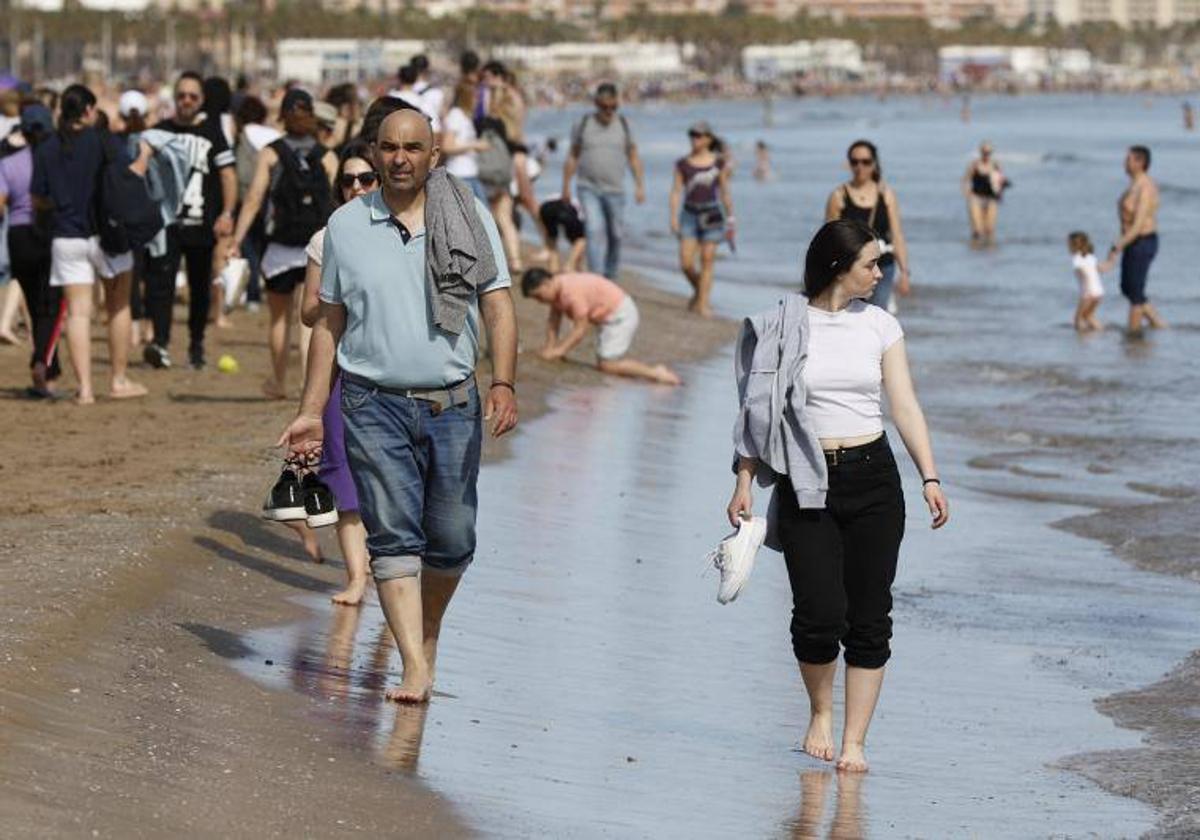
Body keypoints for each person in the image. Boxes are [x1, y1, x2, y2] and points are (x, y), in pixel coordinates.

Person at [278, 109, 519, 703]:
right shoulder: (345, 224)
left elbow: (499, 306)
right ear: (375, 152)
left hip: (454, 402)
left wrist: (504, 382)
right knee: (393, 538)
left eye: (414, 147)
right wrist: (312, 409)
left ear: (434, 156)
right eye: (389, 147)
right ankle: (413, 664)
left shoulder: (469, 216)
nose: (401, 158)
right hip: (369, 402)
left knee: (453, 538)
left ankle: (424, 631)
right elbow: (328, 324)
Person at [728, 219, 949, 774]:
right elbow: (758, 412)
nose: (880, 273)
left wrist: (930, 476)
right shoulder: (784, 324)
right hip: (807, 480)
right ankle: (821, 714)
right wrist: (743, 481)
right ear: (838, 266)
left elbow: (904, 405)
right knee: (819, 615)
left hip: (874, 478)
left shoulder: (881, 326)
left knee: (870, 618)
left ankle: (854, 742)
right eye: (871, 264)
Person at [297, 141, 379, 605]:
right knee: (343, 476)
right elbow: (310, 313)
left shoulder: (401, 231)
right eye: (348, 180)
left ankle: (390, 574)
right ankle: (356, 578)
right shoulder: (325, 239)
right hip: (340, 368)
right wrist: (340, 299)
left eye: (365, 179)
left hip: (390, 370)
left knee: (390, 476)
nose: (356, 188)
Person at [30, 84, 147, 404]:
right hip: (105, 234)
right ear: (88, 111)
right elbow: (128, 175)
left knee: (78, 314)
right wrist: (147, 154)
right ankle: (118, 379)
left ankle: (84, 389)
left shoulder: (47, 146)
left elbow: (38, 196)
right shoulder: (102, 140)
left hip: (66, 236)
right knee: (118, 304)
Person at [230, 88, 337, 400]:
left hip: (278, 248)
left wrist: (236, 240)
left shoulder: (271, 152)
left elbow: (253, 200)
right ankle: (308, 384)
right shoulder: (326, 155)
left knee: (279, 319)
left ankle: (278, 382)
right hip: (317, 248)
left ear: (283, 116)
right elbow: (336, 204)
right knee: (310, 321)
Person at [142, 71, 237, 370]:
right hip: (166, 225)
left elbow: (228, 175)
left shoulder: (212, 132)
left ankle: (196, 344)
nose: (186, 101)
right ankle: (160, 343)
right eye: (181, 95)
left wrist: (227, 213)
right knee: (161, 285)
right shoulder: (160, 130)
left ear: (202, 100)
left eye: (192, 96)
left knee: (199, 288)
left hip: (202, 223)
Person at [522, 267, 681, 385]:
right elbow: (554, 320)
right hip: (608, 315)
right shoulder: (558, 288)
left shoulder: (570, 292)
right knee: (605, 359)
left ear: (547, 283)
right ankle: (650, 372)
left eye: (538, 296)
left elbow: (580, 330)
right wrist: (550, 347)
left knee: (607, 365)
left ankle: (656, 373)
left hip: (619, 315)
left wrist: (560, 351)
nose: (539, 301)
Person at [0, 103, 58, 396]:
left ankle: (46, 365)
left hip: (18, 236)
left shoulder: (9, 163)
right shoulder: (56, 160)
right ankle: (43, 365)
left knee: (35, 306)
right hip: (48, 234)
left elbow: (1, 202)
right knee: (50, 306)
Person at [562, 82, 646, 280]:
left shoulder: (624, 125)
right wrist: (565, 185)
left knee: (615, 234)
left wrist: (639, 186)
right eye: (604, 107)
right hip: (587, 187)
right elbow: (573, 156)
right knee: (593, 230)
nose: (608, 111)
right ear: (596, 104)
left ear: (617, 103)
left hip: (615, 190)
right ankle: (596, 277)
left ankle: (611, 274)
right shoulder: (583, 124)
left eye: (613, 107)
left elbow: (633, 156)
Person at [825, 140, 911, 313]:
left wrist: (904, 273)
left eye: (865, 162)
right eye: (854, 162)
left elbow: (897, 235)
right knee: (849, 315)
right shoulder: (839, 196)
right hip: (850, 268)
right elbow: (829, 237)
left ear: (874, 163)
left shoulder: (886, 195)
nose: (860, 167)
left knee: (876, 314)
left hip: (882, 266)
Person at [669, 120, 733, 319]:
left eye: (698, 135)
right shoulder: (682, 164)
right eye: (692, 135)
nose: (694, 139)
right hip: (689, 214)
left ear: (708, 139)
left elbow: (724, 191)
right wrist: (673, 217)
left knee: (707, 260)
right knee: (686, 263)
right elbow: (676, 191)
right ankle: (699, 291)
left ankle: (703, 304)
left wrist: (731, 216)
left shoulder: (718, 162)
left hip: (712, 213)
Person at [1110, 145, 1166, 334]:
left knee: (1135, 292)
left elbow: (1138, 224)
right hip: (1132, 242)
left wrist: (1117, 247)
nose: (1124, 163)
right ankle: (1159, 325)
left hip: (1143, 241)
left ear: (1140, 163)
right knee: (1127, 288)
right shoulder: (1133, 185)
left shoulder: (1146, 187)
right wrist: (1122, 242)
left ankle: (1132, 337)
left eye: (1128, 159)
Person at [439, 80, 488, 203]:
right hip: (460, 174)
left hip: (470, 172)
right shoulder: (456, 116)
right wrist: (474, 144)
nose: (477, 101)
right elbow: (447, 146)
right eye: (475, 97)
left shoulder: (465, 117)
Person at [1068, 231, 1114, 333]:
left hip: (1088, 293)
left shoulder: (1076, 259)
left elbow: (1082, 272)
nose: (1068, 247)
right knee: (1088, 316)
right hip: (1099, 292)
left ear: (1074, 246)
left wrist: (1085, 281)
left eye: (1069, 245)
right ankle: (1102, 331)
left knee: (1078, 319)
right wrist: (1111, 258)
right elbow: (1103, 268)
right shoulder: (1091, 257)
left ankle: (1082, 341)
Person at [962, 142, 1005, 246]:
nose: (986, 155)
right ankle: (976, 248)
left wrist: (1000, 193)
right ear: (981, 152)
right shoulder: (974, 164)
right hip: (976, 197)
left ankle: (989, 249)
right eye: (984, 152)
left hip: (991, 198)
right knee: (977, 229)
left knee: (990, 229)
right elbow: (965, 180)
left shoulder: (995, 165)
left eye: (988, 152)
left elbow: (1001, 181)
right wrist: (966, 193)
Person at [537, 198, 585, 273]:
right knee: (581, 239)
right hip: (567, 209)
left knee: (552, 239)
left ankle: (553, 270)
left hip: (545, 207)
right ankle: (569, 266)